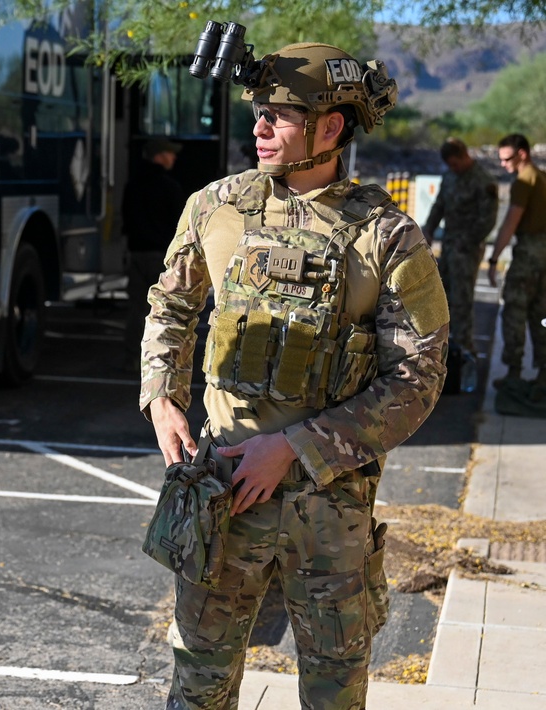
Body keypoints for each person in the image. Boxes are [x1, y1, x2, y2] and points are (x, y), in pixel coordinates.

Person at [141, 43, 448, 709]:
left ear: (331, 127)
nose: (259, 126)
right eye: (259, 112)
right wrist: (163, 395)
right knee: (197, 687)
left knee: (334, 692)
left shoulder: (389, 237)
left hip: (327, 515)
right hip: (222, 497)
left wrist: (292, 448)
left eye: (279, 115)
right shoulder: (215, 207)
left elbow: (417, 379)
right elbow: (170, 306)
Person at [422, 137, 498, 358]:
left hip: (467, 249)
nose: (453, 168)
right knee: (441, 296)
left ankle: (465, 350)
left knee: (461, 300)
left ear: (465, 156)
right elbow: (440, 205)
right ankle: (442, 347)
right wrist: (428, 229)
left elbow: (488, 220)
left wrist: (467, 242)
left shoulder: (483, 181)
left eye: (455, 163)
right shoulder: (449, 177)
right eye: (450, 165)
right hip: (449, 245)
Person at [486, 133, 546, 390]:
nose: (503, 165)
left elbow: (511, 221)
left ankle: (513, 373)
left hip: (530, 254)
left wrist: (494, 258)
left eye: (507, 159)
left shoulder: (524, 180)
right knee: (541, 316)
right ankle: (543, 375)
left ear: (522, 154)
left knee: (514, 311)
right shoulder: (541, 177)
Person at [121, 137, 185, 372]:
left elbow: (126, 218)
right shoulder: (170, 187)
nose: (173, 157)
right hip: (161, 257)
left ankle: (131, 359)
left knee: (136, 309)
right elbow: (179, 226)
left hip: (137, 254)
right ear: (159, 155)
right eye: (169, 153)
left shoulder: (133, 185)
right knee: (164, 310)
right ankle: (159, 362)